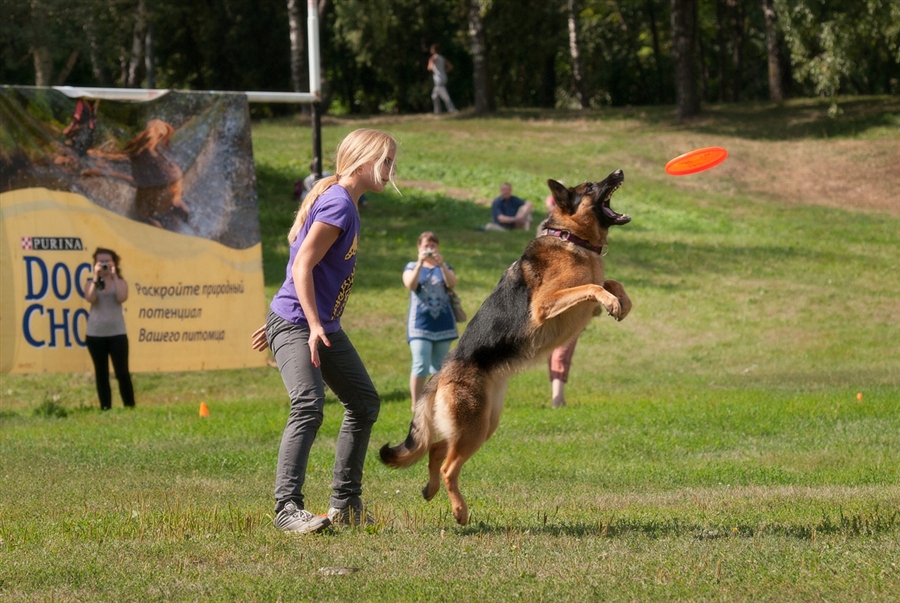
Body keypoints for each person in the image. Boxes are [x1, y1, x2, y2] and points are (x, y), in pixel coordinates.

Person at [251, 128, 398, 534]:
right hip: (304, 324)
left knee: (364, 402)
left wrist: (292, 319)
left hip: (311, 322)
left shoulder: (344, 201)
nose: (390, 170)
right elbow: (302, 266)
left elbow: (302, 264)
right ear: (363, 161)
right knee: (308, 404)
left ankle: (346, 503)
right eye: (385, 162)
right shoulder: (338, 204)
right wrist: (306, 324)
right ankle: (287, 507)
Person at [402, 232, 459, 411]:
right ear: (419, 247)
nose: (430, 248)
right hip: (420, 324)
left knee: (440, 367)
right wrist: (420, 263)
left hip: (443, 323)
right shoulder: (411, 266)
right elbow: (410, 285)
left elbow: (452, 283)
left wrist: (441, 264)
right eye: (426, 245)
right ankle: (416, 404)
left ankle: (436, 404)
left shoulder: (445, 266)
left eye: (433, 245)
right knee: (420, 363)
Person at [540, 190, 580, 408]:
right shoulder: (545, 231)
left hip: (572, 301)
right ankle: (557, 397)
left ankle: (558, 397)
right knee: (555, 347)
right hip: (551, 299)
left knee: (564, 347)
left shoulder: (579, 235)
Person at [82, 248, 135, 410]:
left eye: (107, 261)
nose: (104, 265)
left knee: (122, 372)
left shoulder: (120, 282)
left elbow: (121, 297)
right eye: (101, 262)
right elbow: (90, 298)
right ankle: (105, 407)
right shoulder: (93, 282)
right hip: (96, 334)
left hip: (117, 333)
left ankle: (129, 405)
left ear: (114, 263)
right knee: (101, 373)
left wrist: (114, 276)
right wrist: (96, 276)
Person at [428, 43, 458, 115]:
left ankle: (452, 109)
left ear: (434, 50)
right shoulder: (442, 58)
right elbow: (450, 66)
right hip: (443, 77)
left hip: (438, 79)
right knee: (434, 96)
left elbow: (429, 68)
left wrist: (430, 63)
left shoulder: (433, 58)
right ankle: (437, 111)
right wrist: (444, 71)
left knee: (445, 96)